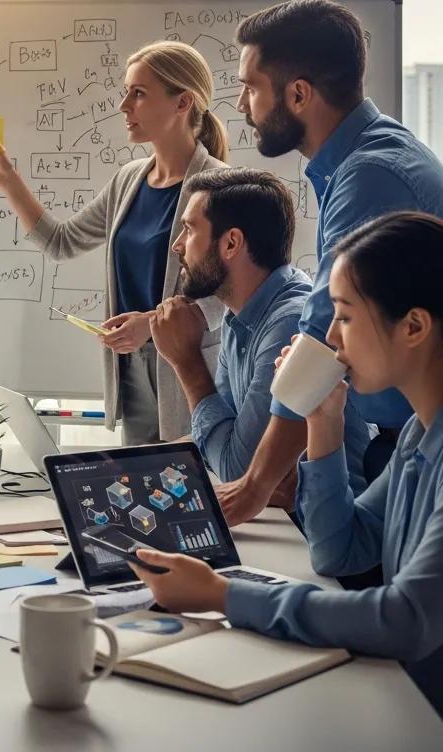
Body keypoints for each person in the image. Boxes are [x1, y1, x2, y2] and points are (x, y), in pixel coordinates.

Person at [128, 212, 443, 717]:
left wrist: (222, 595)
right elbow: (339, 551)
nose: (333, 341)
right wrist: (324, 423)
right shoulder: (418, 435)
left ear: (413, 326)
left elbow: (404, 619)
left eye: (344, 316)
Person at [218, 0, 443, 526]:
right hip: (403, 441)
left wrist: (255, 483)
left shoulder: (370, 175)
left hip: (412, 450)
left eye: (251, 87)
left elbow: (320, 346)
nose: (242, 104)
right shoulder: (368, 156)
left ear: (297, 94)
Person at [0, 41, 228, 444]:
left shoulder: (221, 185)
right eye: (126, 91)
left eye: (138, 93)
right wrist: (7, 180)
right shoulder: (129, 180)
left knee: (188, 493)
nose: (123, 105)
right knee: (142, 494)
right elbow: (61, 242)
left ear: (182, 102)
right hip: (132, 369)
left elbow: (236, 296)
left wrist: (151, 325)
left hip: (193, 369)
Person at [149, 167, 313, 493]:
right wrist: (122, 463)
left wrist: (186, 360)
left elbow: (238, 469)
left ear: (231, 243)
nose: (177, 246)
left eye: (189, 230)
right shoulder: (240, 312)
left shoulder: (289, 325)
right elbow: (224, 431)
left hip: (303, 534)